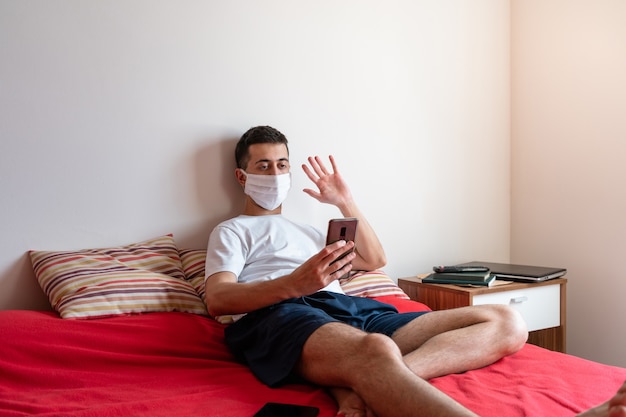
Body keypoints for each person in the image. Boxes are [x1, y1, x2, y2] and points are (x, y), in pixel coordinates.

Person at [204, 125, 621, 417]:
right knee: (373, 350)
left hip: (347, 307)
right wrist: (295, 283)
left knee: (508, 321)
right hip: (281, 314)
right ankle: (372, 369)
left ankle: (371, 381)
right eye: (263, 166)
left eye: (282, 164)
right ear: (242, 176)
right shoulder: (232, 230)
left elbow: (375, 260)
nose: (275, 174)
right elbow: (219, 299)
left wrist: (345, 202)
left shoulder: (310, 229)